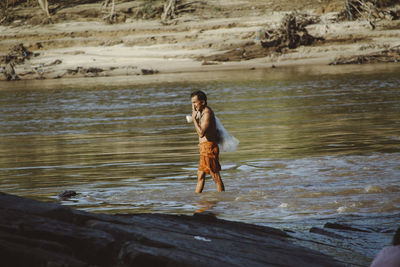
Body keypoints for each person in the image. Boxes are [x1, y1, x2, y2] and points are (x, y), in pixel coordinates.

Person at [190, 90, 225, 193]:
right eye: (192, 103)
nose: (194, 106)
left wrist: (194, 120)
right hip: (205, 148)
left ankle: (222, 198)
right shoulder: (202, 112)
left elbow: (201, 133)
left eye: (195, 102)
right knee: (200, 175)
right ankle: (197, 199)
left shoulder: (207, 113)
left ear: (203, 102)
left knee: (215, 175)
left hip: (209, 148)